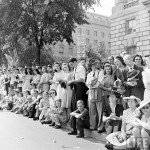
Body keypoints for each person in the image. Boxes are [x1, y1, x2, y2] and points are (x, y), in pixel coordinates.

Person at [86, 59, 104, 132]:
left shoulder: (100, 73)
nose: (94, 66)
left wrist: (92, 84)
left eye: (95, 64)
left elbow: (100, 83)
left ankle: (100, 127)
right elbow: (87, 83)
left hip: (98, 92)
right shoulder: (89, 74)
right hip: (91, 93)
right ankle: (92, 125)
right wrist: (92, 82)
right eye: (92, 65)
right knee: (92, 110)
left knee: (100, 111)